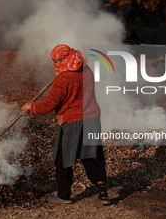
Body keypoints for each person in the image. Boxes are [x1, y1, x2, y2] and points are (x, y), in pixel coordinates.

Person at [22, 44, 109, 205]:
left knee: (64, 159)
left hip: (73, 121)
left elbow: (49, 105)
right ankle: (103, 194)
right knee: (91, 156)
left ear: (65, 59)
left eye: (57, 61)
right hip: (92, 118)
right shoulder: (86, 69)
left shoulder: (63, 78)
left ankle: (63, 195)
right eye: (53, 61)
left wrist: (31, 107)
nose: (55, 64)